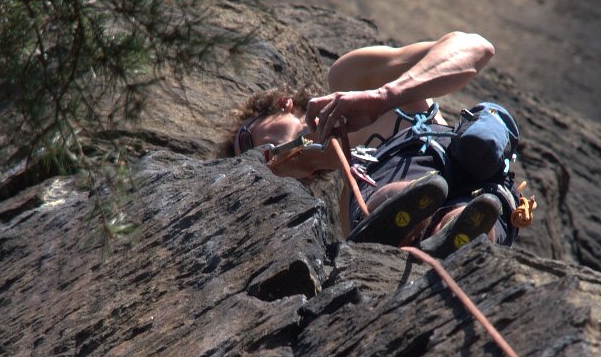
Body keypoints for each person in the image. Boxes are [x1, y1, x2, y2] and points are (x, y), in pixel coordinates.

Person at [226, 31, 527, 254]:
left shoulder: (351, 78)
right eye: (247, 163)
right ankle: (462, 230)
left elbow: (475, 47)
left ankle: (452, 222)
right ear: (304, 178)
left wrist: (383, 97)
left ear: (284, 104)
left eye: (247, 137)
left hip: (451, 153)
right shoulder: (349, 205)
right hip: (477, 193)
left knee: (387, 200)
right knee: (462, 219)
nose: (255, 155)